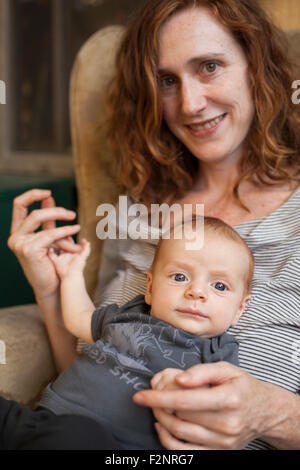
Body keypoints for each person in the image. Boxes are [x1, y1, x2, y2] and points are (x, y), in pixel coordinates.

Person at [7, 0, 300, 450]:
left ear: (254, 67)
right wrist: (49, 287)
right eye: (166, 80)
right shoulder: (141, 209)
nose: (190, 103)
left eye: (209, 66)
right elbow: (89, 373)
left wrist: (275, 414)